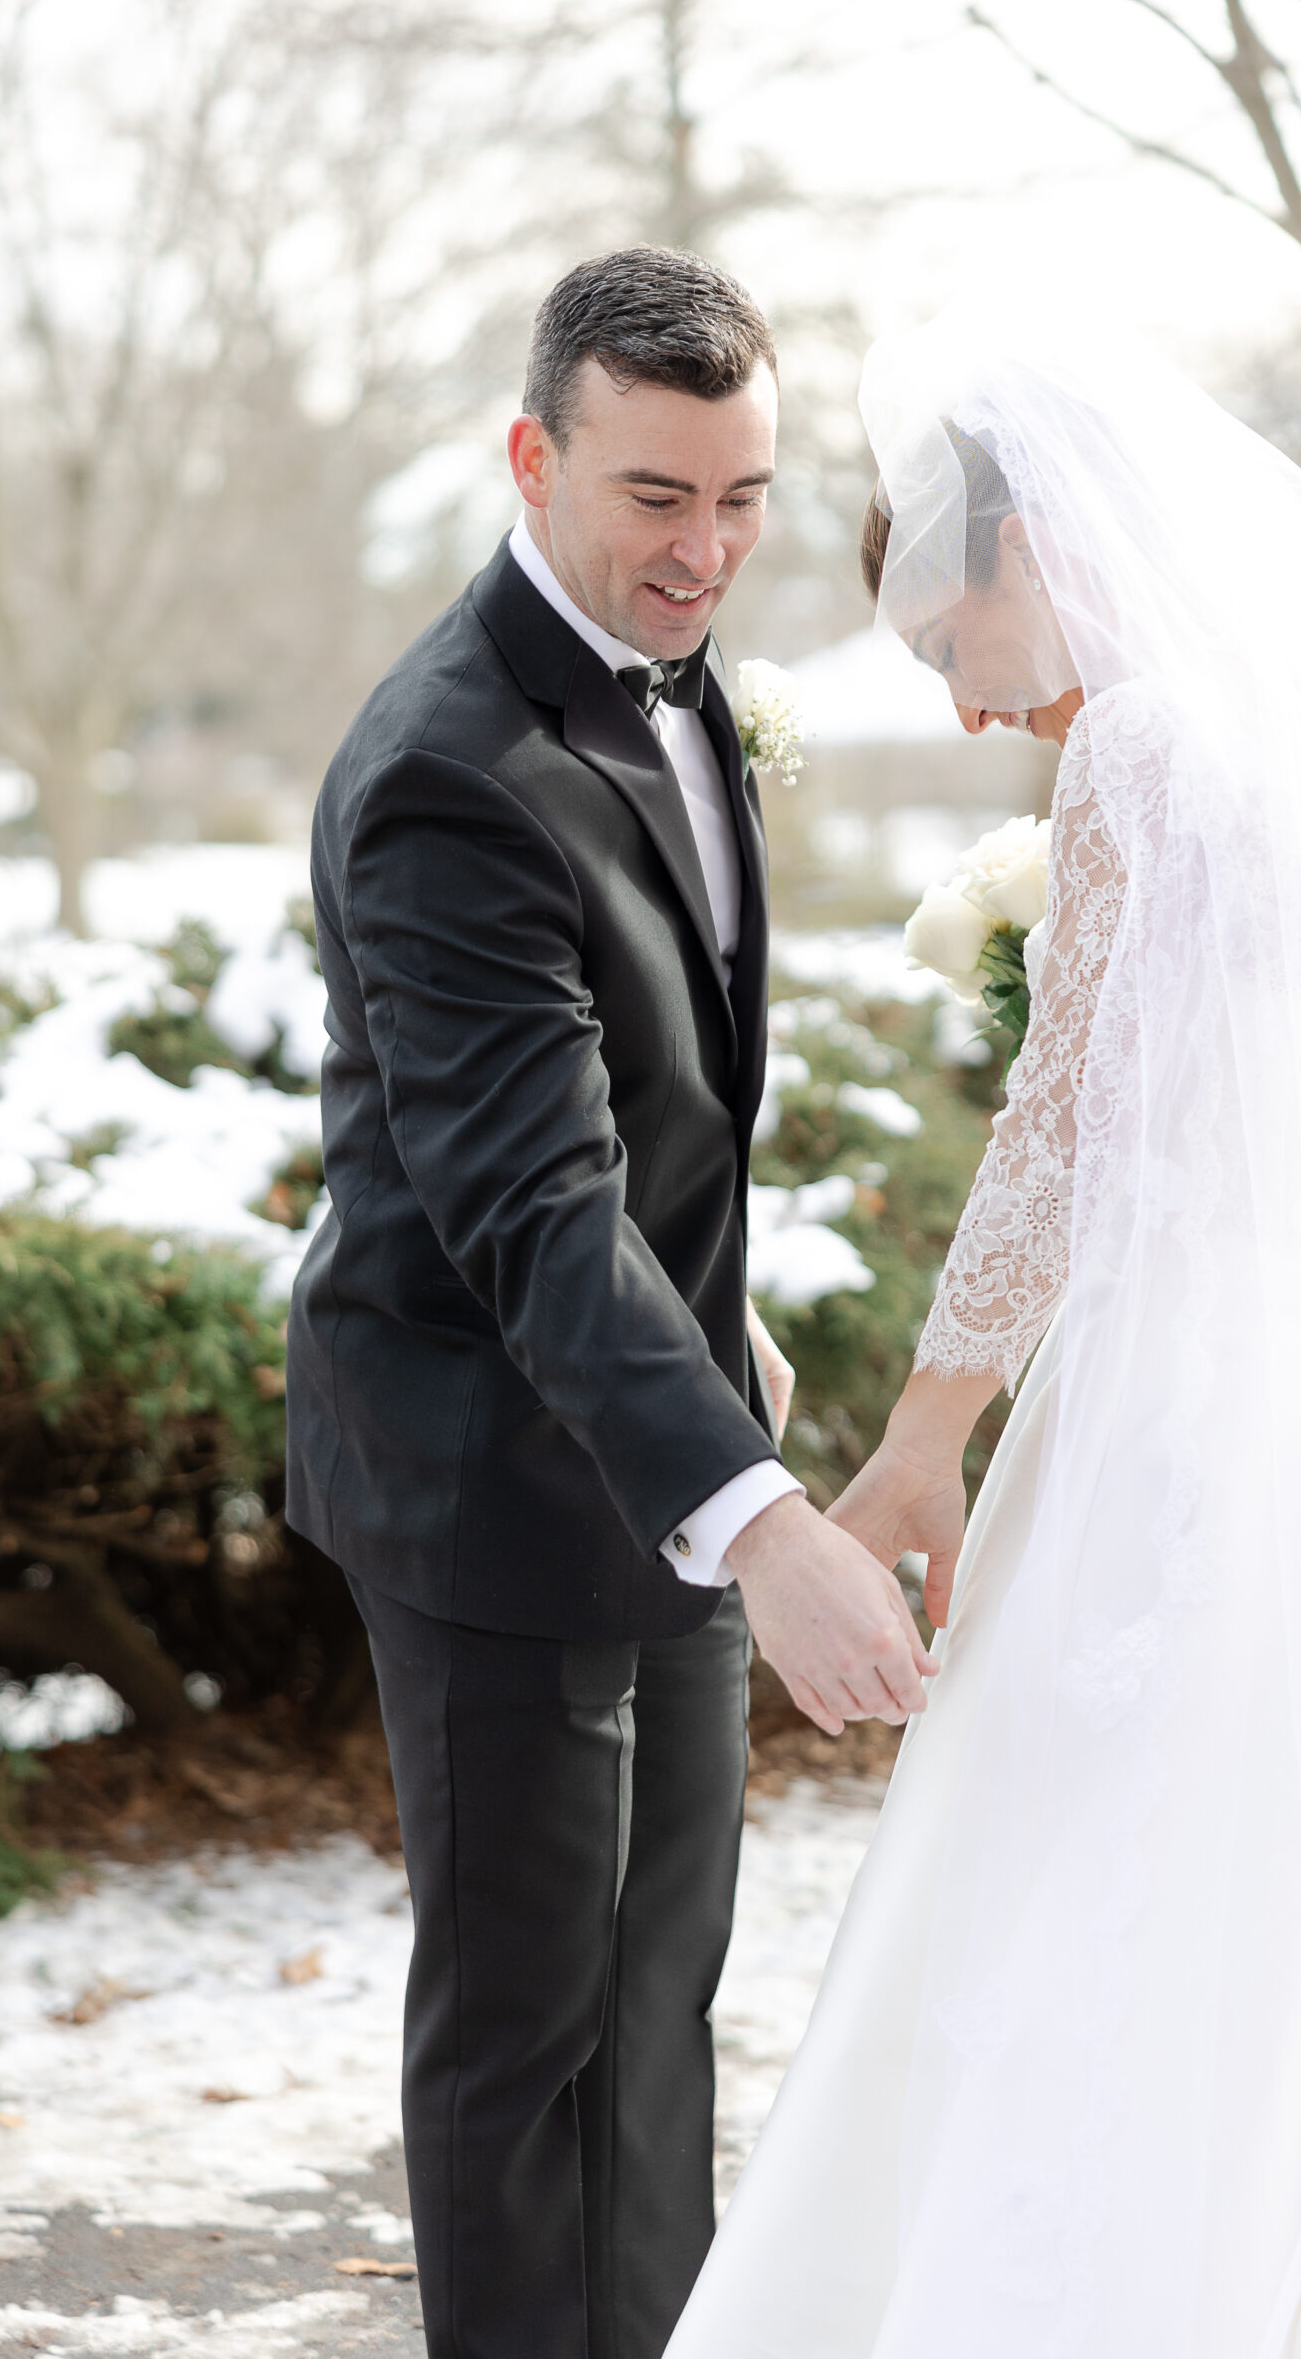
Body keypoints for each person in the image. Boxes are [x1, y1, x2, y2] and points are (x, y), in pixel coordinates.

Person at [667, 301, 1301, 2356]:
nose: (972, 706)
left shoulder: (1141, 748)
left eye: (948, 644)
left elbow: (1063, 1134)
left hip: (1193, 1411)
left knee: (1122, 1897)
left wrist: (919, 1440)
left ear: (1037, 544)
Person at [285, 246, 933, 2359]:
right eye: (655, 496)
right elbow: (535, 1204)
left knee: (656, 2017)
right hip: (490, 1482)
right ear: (531, 456)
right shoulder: (447, 770)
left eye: (741, 499)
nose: (704, 551)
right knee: (527, 2040)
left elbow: (660, 1099)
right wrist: (765, 1520)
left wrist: (722, 1337)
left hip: (660, 1442)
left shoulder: (685, 684)